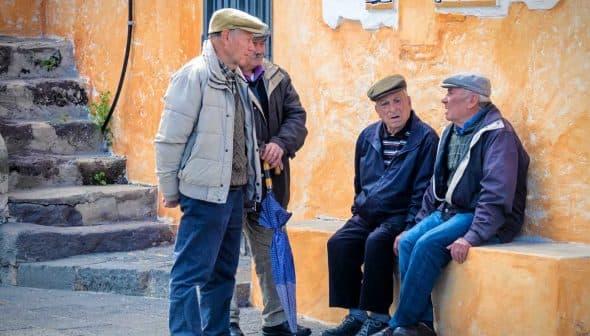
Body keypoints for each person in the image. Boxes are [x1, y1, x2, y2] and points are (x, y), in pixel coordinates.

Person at [373, 73, 530, 336]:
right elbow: (435, 188)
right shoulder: (451, 131)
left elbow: (496, 194)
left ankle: (398, 324)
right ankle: (420, 325)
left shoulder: (498, 134)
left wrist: (472, 236)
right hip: (449, 211)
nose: (444, 99)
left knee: (426, 245)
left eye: (450, 93)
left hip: (479, 216)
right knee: (409, 240)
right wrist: (415, 225)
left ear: (471, 100)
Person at [154, 8, 267, 336]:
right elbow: (168, 139)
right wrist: (171, 189)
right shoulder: (194, 75)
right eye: (248, 38)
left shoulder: (236, 80)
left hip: (233, 194)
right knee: (189, 275)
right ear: (226, 35)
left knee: (223, 275)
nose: (253, 47)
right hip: (204, 195)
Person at [322, 75, 439, 336]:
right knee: (339, 243)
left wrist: (409, 227)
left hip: (399, 216)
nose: (393, 109)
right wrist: (357, 210)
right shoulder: (367, 136)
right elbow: (359, 180)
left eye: (398, 101)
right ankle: (355, 314)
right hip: (367, 213)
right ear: (377, 110)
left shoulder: (425, 138)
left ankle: (378, 317)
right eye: (385, 104)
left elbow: (423, 191)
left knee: (377, 243)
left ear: (409, 101)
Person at [228, 28, 310, 336]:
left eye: (263, 42)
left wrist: (281, 143)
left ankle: (277, 321)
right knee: (228, 255)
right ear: (237, 42)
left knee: (271, 251)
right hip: (232, 181)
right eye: (254, 42)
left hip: (268, 184)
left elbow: (297, 118)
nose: (260, 48)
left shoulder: (277, 77)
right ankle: (228, 321)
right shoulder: (222, 77)